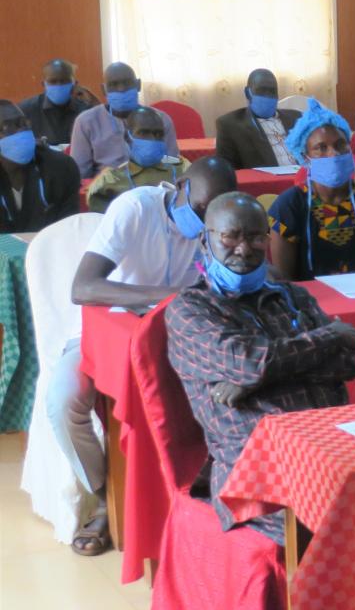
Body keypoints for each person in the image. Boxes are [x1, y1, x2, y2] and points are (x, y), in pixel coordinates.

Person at [61, 157, 237, 556]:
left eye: (214, 214)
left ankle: (196, 499)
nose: (206, 221)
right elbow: (83, 287)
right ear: (181, 186)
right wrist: (166, 296)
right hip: (107, 331)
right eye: (201, 209)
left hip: (182, 339)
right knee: (63, 404)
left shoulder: (218, 225)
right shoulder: (135, 208)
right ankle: (106, 496)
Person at [168, 191, 355, 544]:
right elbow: (248, 361)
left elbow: (349, 361)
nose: (244, 249)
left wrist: (255, 381)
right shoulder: (190, 309)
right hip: (258, 473)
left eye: (256, 237)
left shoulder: (292, 296)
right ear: (205, 241)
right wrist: (329, 336)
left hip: (331, 447)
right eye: (230, 236)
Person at [268, 99, 355, 281]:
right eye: (321, 148)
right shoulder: (289, 206)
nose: (334, 153)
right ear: (305, 157)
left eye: (341, 144)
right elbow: (285, 281)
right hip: (308, 298)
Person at [69, 62, 179, 178]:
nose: (121, 89)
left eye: (127, 83)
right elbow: (80, 172)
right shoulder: (86, 122)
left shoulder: (160, 119)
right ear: (104, 89)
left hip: (154, 183)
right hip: (107, 186)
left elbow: (173, 162)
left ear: (138, 85)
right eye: (113, 85)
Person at [86, 106, 190, 213]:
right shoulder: (110, 181)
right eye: (144, 133)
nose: (152, 139)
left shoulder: (184, 168)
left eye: (158, 134)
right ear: (127, 138)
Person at [0, 99, 80, 233]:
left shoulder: (62, 167)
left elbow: (69, 229)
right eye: (7, 127)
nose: (21, 130)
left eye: (24, 123)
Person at [213, 68, 302, 169]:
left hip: (305, 176)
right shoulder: (230, 125)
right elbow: (225, 171)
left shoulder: (297, 118)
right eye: (262, 90)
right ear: (248, 93)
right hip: (268, 178)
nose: (267, 96)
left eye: (272, 91)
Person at [19, 59, 95, 146]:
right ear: (43, 84)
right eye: (53, 81)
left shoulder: (85, 109)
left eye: (64, 81)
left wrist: (92, 101)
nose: (59, 85)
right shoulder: (26, 109)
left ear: (75, 84)